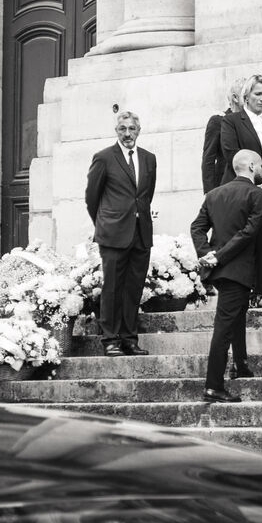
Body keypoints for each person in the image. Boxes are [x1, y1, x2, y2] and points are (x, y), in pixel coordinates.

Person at [191, 149, 262, 403]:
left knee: (236, 317)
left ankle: (240, 364)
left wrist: (208, 254)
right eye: (260, 166)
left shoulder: (214, 194)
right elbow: (248, 233)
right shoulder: (258, 195)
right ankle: (213, 386)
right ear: (251, 166)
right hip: (237, 269)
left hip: (222, 270)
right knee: (224, 327)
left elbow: (197, 228)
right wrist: (218, 256)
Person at [85, 111, 155, 358]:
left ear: (139, 131)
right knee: (113, 287)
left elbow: (145, 196)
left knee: (133, 289)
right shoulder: (104, 158)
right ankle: (110, 339)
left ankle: (129, 339)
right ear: (117, 131)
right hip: (113, 233)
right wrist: (105, 223)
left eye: (132, 129)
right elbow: (92, 197)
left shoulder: (149, 159)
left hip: (140, 233)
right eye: (123, 129)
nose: (127, 134)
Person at [220, 74, 262, 308]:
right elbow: (231, 154)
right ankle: (241, 292)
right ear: (246, 96)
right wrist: (252, 182)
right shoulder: (231, 121)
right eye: (257, 93)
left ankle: (261, 294)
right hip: (243, 191)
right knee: (242, 241)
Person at [202, 79, 245, 195]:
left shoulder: (254, 121)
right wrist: (209, 193)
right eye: (246, 95)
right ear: (235, 98)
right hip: (224, 186)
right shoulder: (218, 120)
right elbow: (208, 159)